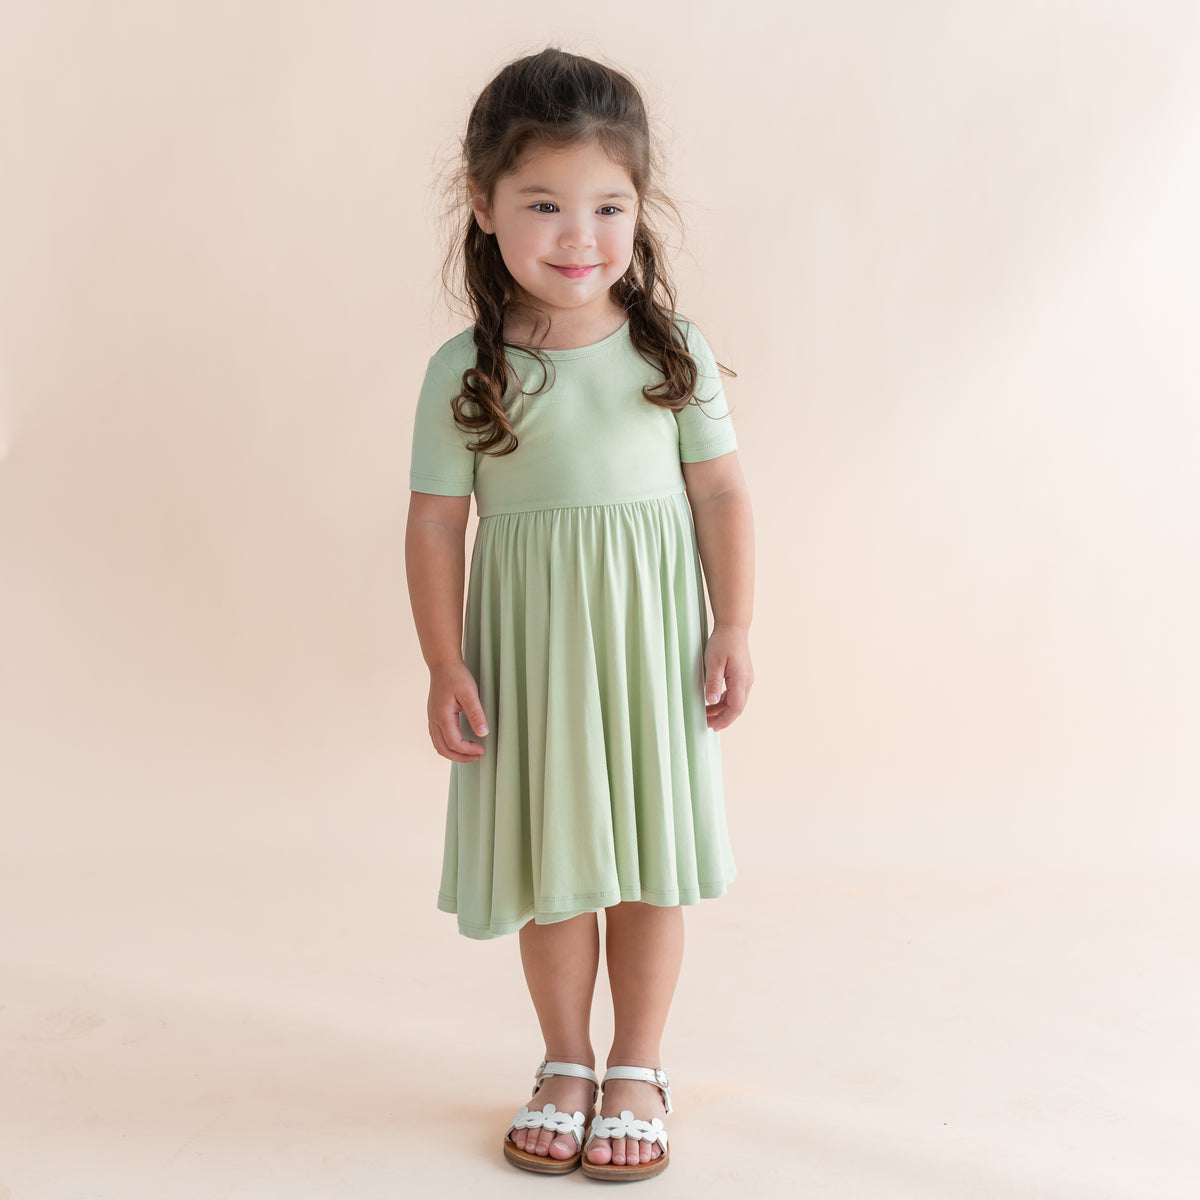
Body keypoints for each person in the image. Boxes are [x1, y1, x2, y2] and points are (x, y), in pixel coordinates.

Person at [405, 46, 755, 1182]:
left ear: (639, 209)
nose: (578, 236)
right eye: (543, 205)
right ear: (485, 204)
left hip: (651, 653)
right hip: (534, 658)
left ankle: (638, 1066)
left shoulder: (672, 352)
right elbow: (434, 523)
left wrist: (734, 625)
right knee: (562, 865)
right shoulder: (471, 369)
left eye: (608, 205)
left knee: (648, 863)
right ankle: (564, 1061)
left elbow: (721, 493)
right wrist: (444, 660)